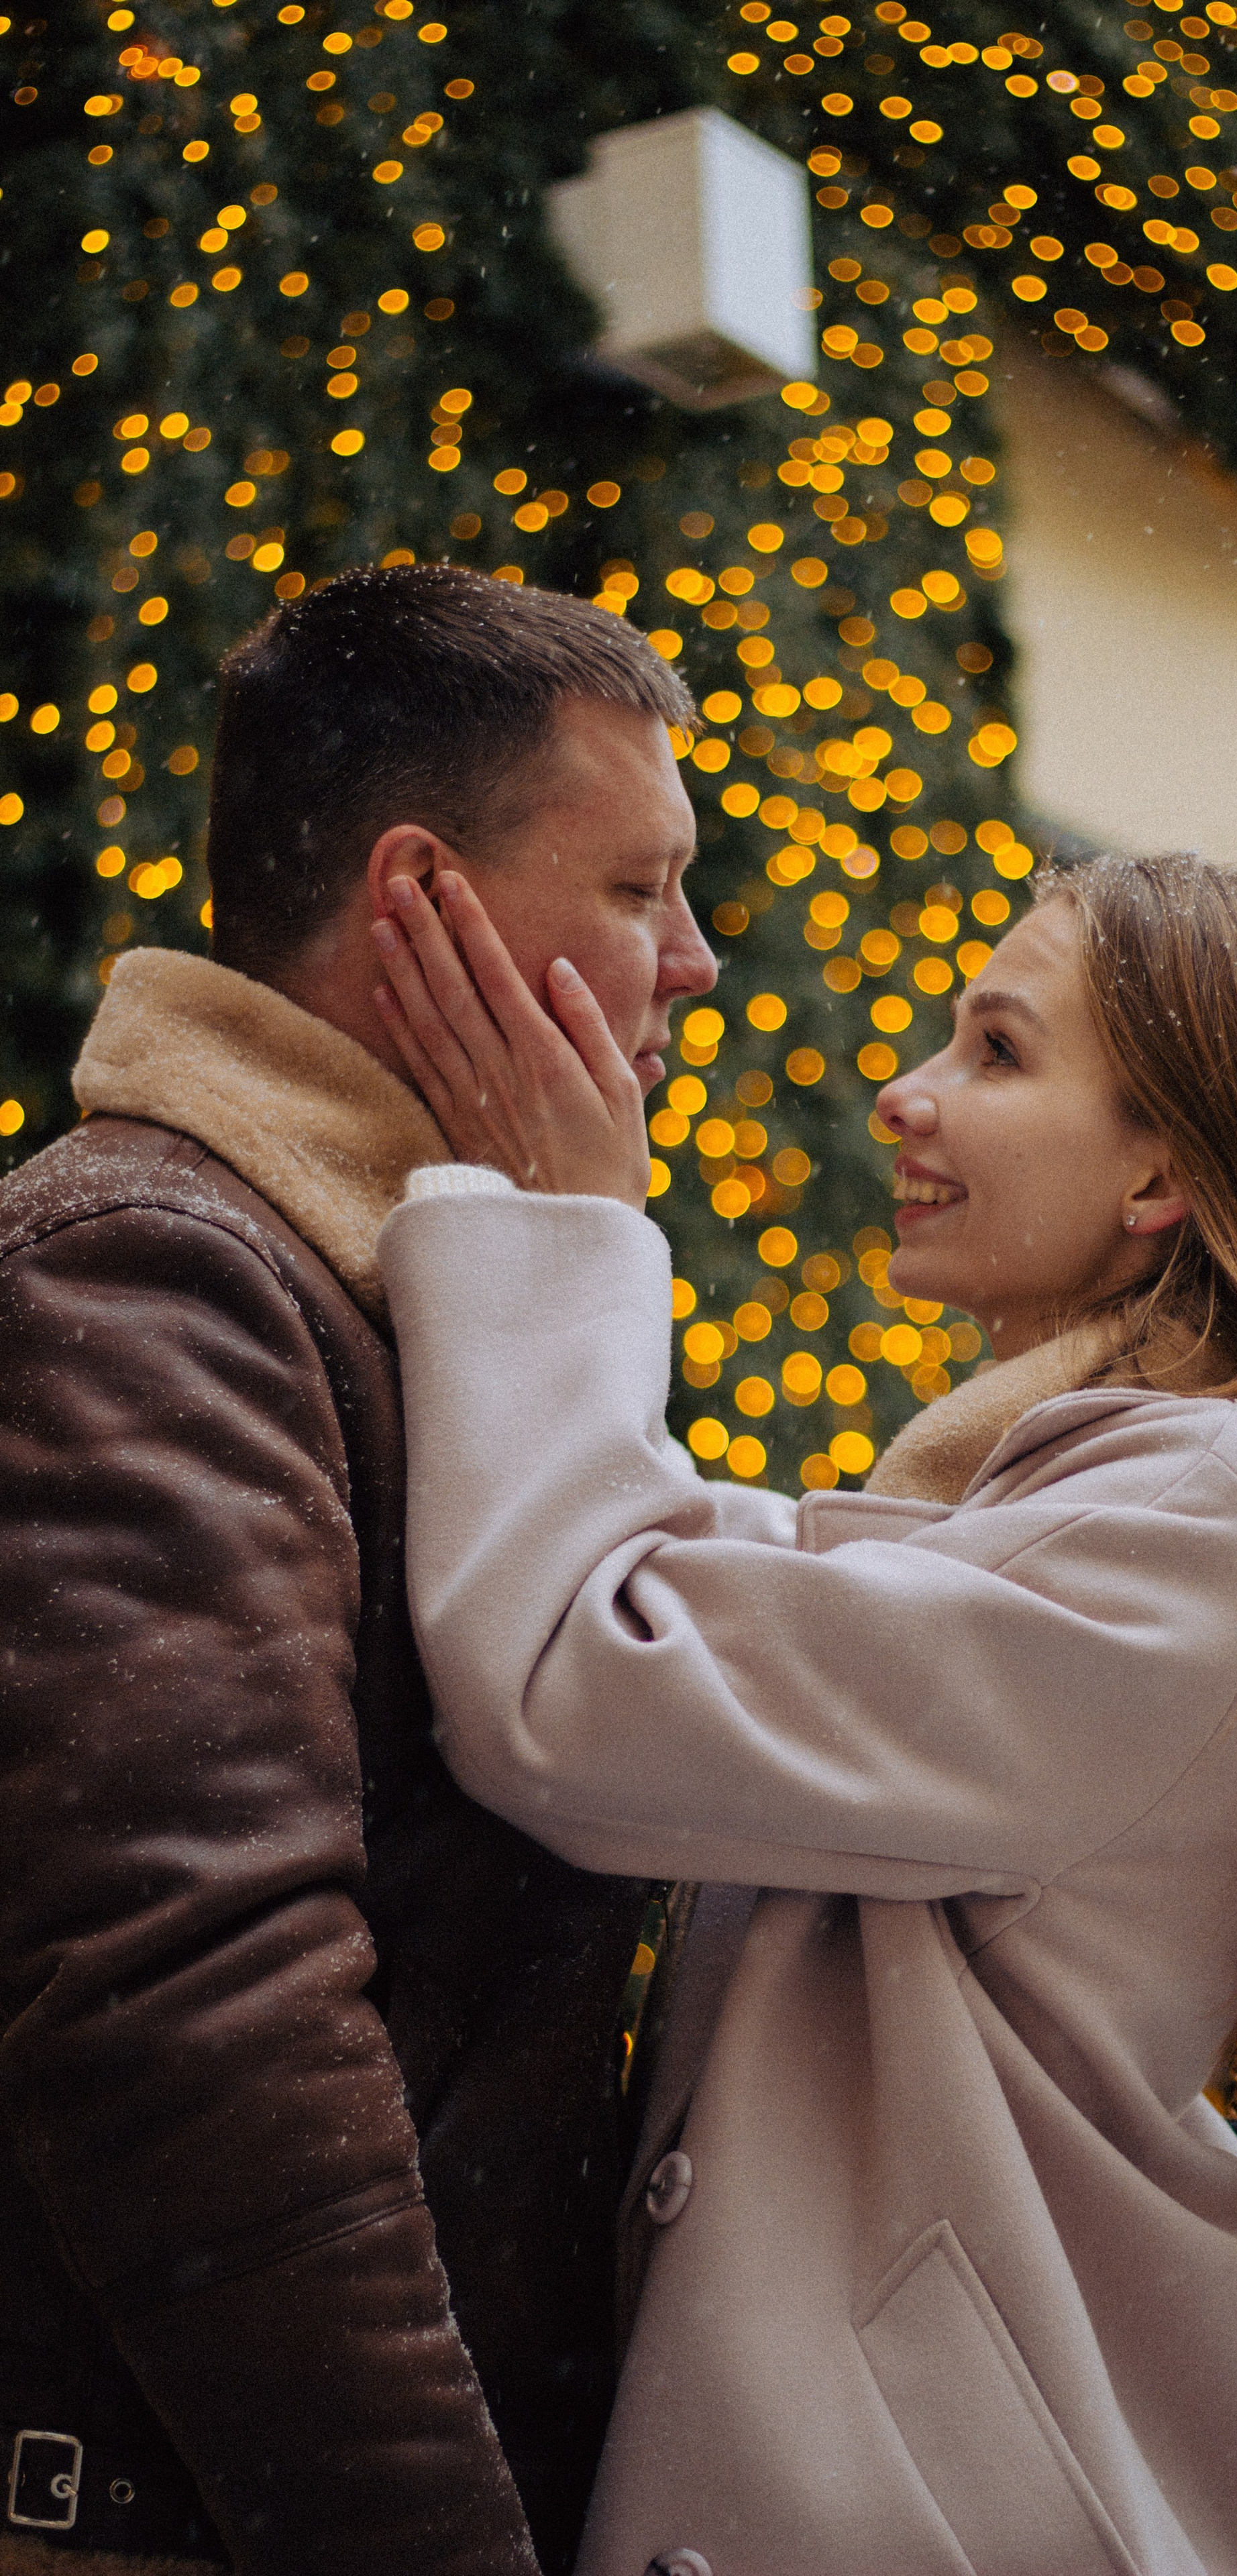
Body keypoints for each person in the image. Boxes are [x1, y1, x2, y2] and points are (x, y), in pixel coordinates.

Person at [370, 846, 1237, 2576]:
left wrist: (559, 1222)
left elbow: (581, 1680)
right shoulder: (1084, 1495)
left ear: (1163, 1167)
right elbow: (704, 1597)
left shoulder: (1207, 1507)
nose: (908, 1094)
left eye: (997, 1053)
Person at [0, 564, 718, 2576]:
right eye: (644, 885)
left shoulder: (391, 1287)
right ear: (424, 899)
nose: (703, 962)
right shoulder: (157, 1272)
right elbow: (188, 1999)